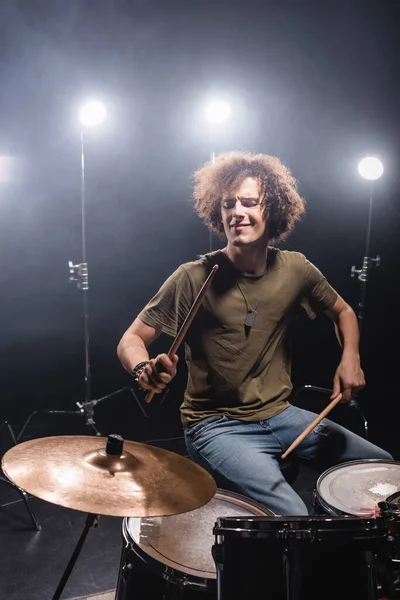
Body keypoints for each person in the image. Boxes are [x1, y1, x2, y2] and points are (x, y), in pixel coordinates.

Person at [117, 151, 393, 516]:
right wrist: (143, 370)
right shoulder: (194, 276)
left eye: (249, 202)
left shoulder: (295, 269)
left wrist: (350, 358)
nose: (236, 212)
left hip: (282, 414)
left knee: (386, 473)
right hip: (215, 426)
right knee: (292, 515)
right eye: (228, 204)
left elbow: (343, 312)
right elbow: (130, 341)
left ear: (273, 210)